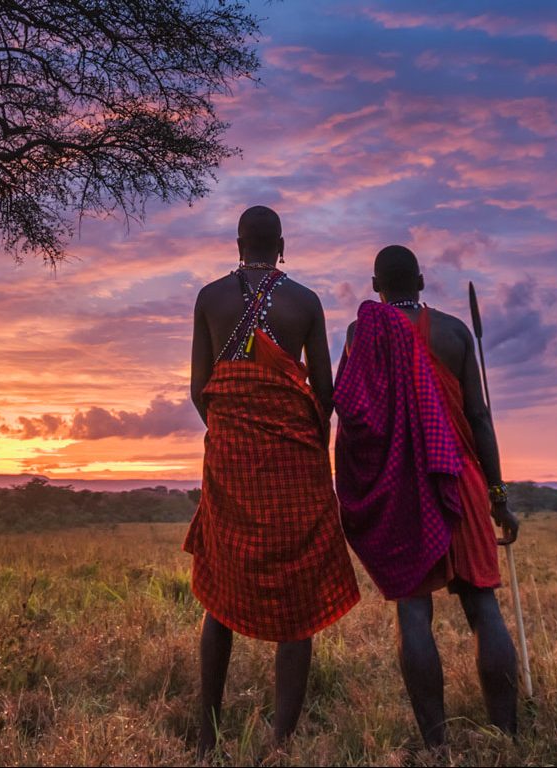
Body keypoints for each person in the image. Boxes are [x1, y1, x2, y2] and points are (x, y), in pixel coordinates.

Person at [332, 245, 522, 752]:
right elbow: (480, 419)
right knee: (484, 607)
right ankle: (506, 736)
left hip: (403, 488)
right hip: (460, 478)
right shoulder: (456, 333)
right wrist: (499, 496)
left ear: (375, 286)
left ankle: (436, 747)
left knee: (413, 612)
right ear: (420, 280)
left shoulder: (360, 333)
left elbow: (353, 416)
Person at [185, 205, 360, 753]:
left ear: (238, 244)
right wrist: (292, 437)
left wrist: (237, 433)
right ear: (281, 244)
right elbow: (326, 392)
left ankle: (207, 731)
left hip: (230, 463)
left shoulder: (209, 298)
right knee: (299, 588)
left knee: (220, 590)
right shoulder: (305, 302)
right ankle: (283, 738)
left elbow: (199, 388)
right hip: (295, 466)